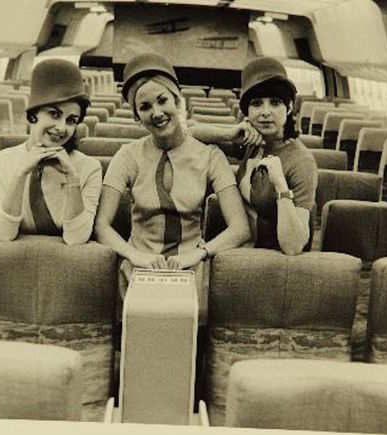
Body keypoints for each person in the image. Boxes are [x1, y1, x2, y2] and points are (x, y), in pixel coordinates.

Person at [94, 53, 250, 295]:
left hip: (192, 267)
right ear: (137, 117)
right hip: (136, 266)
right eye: (145, 107)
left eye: (162, 100)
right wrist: (135, 256)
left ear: (178, 101)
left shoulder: (210, 156)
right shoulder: (127, 156)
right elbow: (101, 225)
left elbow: (240, 228)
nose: (156, 113)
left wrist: (198, 254)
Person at [193, 57, 317, 255]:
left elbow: (293, 247)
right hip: (236, 251)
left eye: (275, 103)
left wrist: (280, 185)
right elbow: (189, 135)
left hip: (271, 262)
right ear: (247, 111)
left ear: (289, 108)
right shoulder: (250, 144)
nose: (265, 112)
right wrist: (229, 133)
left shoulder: (301, 162)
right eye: (257, 104)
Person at [0, 59, 102, 244]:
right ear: (33, 115)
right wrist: (21, 174)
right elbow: (1, 234)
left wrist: (73, 178)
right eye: (54, 114)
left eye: (71, 120)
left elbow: (76, 239)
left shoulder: (89, 168)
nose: (62, 128)